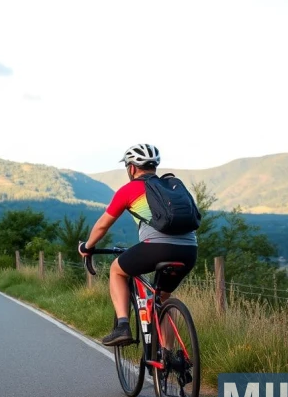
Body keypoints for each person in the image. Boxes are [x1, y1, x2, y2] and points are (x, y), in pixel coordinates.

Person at [78, 143, 198, 346]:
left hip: (156, 248)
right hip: (189, 251)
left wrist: (87, 246)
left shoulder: (130, 189)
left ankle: (122, 326)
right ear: (154, 166)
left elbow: (102, 226)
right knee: (162, 299)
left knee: (117, 270)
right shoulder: (172, 187)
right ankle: (167, 356)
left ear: (131, 168)